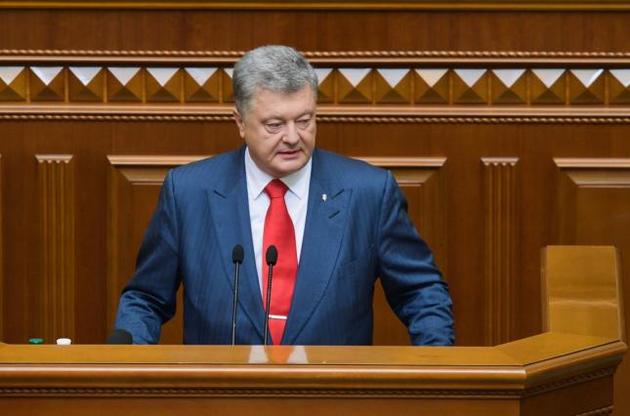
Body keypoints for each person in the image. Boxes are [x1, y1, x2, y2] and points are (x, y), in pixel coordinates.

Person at [114, 45, 454, 346]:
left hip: (333, 391)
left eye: (304, 121)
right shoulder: (188, 192)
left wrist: (435, 370)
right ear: (240, 122)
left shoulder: (369, 193)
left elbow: (421, 292)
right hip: (222, 391)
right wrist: (127, 368)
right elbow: (146, 299)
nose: (292, 137)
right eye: (274, 125)